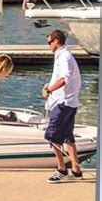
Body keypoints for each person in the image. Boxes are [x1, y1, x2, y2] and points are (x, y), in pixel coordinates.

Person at [43, 29, 82, 183]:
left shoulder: (64, 57)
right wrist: (49, 85)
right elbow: (60, 78)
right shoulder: (63, 56)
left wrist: (48, 89)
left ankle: (61, 169)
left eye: (49, 42)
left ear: (56, 41)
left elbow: (64, 79)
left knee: (52, 136)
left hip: (63, 103)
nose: (48, 46)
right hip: (69, 102)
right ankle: (76, 170)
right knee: (67, 136)